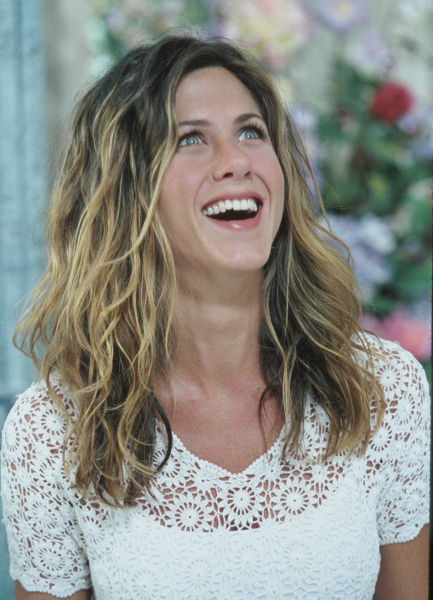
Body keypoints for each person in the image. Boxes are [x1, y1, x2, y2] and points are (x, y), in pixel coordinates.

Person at [1, 34, 429, 600]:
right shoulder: (52, 432)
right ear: (126, 194)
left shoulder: (382, 389)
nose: (236, 162)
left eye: (251, 132)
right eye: (190, 139)